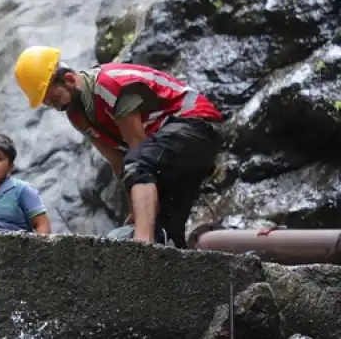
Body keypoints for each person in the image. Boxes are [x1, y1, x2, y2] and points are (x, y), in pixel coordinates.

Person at [13, 46, 223, 248]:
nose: (57, 107)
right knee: (166, 228)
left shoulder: (109, 85)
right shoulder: (77, 114)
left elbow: (137, 149)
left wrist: (141, 218)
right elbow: (116, 159)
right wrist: (135, 209)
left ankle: (143, 247)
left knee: (139, 171)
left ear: (69, 79)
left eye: (55, 98)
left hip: (195, 128)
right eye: (50, 104)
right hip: (165, 150)